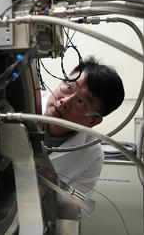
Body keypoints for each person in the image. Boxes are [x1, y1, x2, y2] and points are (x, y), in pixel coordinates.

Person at [41, 57, 125, 197]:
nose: (64, 102)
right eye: (68, 87)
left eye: (81, 102)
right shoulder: (23, 100)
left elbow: (73, 210)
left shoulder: (92, 155)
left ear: (93, 122)